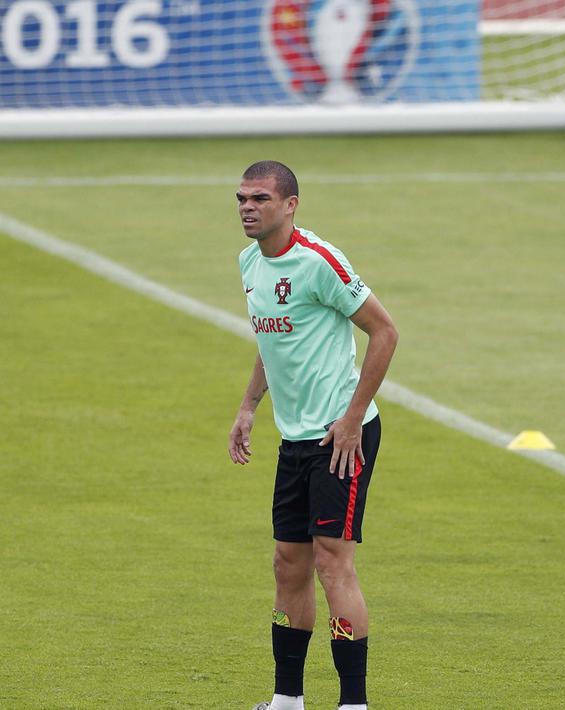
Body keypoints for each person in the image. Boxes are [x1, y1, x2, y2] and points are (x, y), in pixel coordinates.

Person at [227, 161, 399, 710]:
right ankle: (287, 699)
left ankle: (353, 703)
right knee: (288, 562)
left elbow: (384, 332)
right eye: (241, 199)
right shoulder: (250, 262)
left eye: (259, 198)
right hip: (295, 437)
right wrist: (249, 406)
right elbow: (271, 340)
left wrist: (352, 417)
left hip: (340, 436)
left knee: (331, 562)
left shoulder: (320, 261)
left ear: (290, 204)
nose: (247, 208)